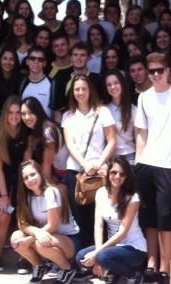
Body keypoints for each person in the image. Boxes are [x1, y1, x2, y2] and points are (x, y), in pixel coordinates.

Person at [133, 53, 171, 284]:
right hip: (147, 165)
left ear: (168, 70)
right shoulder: (144, 98)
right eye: (152, 71)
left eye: (160, 70)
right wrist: (139, 161)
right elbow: (141, 132)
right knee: (149, 219)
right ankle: (151, 264)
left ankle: (164, 268)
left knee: (166, 220)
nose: (156, 75)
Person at [62, 74, 116, 248]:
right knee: (80, 217)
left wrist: (98, 163)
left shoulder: (103, 112)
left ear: (90, 90)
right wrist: (85, 165)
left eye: (83, 89)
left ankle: (102, 258)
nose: (80, 92)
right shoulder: (68, 116)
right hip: (76, 172)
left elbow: (112, 141)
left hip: (100, 172)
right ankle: (84, 258)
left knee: (101, 216)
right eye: (76, 89)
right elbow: (70, 145)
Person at [76, 156, 148, 284]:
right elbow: (98, 226)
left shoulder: (133, 197)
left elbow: (123, 233)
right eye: (114, 172)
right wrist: (97, 254)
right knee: (81, 256)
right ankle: (114, 272)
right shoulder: (100, 193)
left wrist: (98, 254)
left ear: (126, 177)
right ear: (108, 173)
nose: (117, 177)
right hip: (112, 247)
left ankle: (133, 274)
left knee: (103, 256)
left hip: (134, 249)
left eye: (122, 174)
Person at [12, 160, 82, 283]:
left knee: (40, 243)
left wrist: (29, 239)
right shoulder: (27, 196)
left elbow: (53, 225)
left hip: (69, 239)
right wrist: (34, 231)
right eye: (26, 178)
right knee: (16, 238)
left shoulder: (51, 192)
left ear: (40, 173)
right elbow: (21, 223)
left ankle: (67, 269)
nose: (30, 179)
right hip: (47, 237)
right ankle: (39, 266)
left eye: (33, 174)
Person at [0, 96, 29, 272]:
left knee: (24, 217)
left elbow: (28, 162)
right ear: (5, 113)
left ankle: (25, 258)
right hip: (3, 177)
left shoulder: (26, 131)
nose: (14, 116)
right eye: (10, 112)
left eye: (18, 112)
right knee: (3, 216)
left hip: (23, 176)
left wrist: (25, 188)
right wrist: (4, 196)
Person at [21, 96, 66, 182]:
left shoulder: (47, 131)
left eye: (30, 113)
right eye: (23, 114)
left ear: (37, 112)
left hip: (64, 175)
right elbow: (27, 160)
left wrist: (45, 191)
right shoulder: (33, 130)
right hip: (54, 172)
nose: (27, 117)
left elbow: (47, 165)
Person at [104, 71, 137, 165]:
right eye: (109, 85)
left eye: (116, 83)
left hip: (130, 156)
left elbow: (138, 137)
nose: (113, 87)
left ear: (122, 84)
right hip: (110, 158)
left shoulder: (134, 110)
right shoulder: (104, 110)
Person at [20, 45, 55, 116]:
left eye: (40, 59)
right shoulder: (21, 82)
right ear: (27, 62)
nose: (36, 61)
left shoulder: (52, 83)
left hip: (46, 126)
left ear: (44, 63)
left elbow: (57, 112)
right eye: (32, 58)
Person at [0, 47, 22, 119]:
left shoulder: (21, 80)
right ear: (0, 60)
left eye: (11, 59)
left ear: (15, 61)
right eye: (5, 59)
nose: (8, 62)